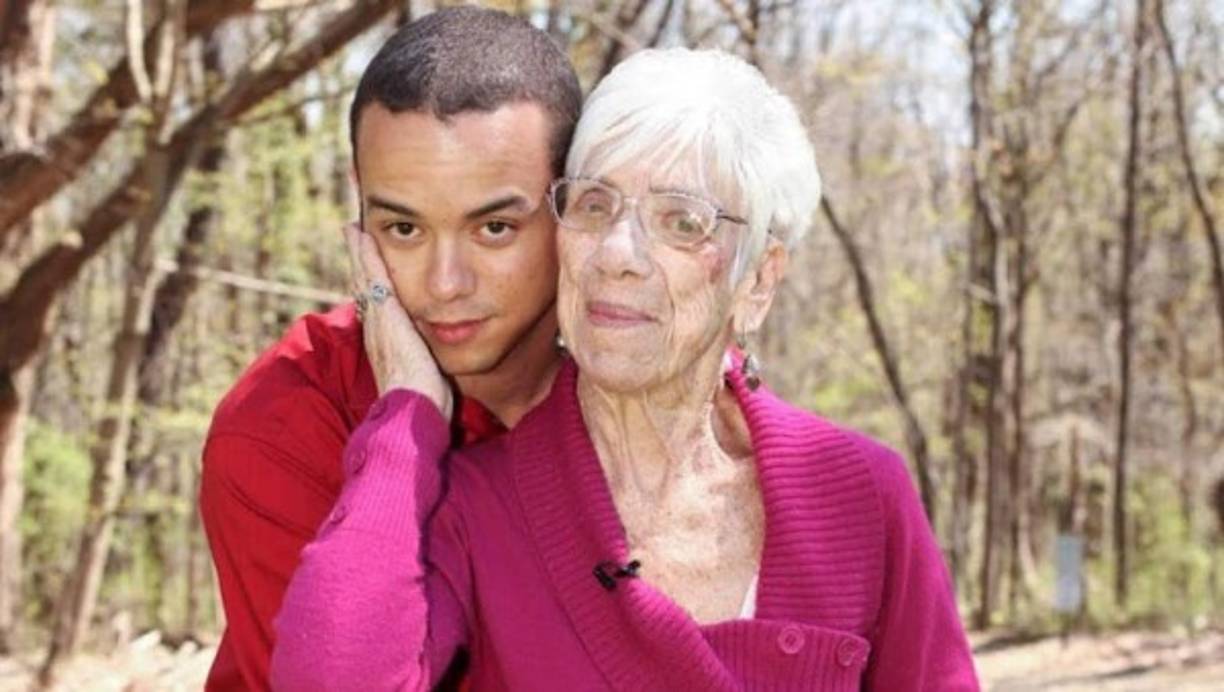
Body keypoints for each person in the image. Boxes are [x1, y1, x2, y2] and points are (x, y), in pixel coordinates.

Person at [271, 48, 980, 690]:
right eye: (594, 204)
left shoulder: (858, 496)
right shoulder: (475, 507)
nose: (617, 252)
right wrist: (406, 413)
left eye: (682, 221)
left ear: (758, 281)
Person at [198, 7, 581, 689]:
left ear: (572, 210)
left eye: (494, 227)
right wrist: (407, 422)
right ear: (360, 217)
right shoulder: (282, 423)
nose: (444, 284)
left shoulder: (632, 386)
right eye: (403, 228)